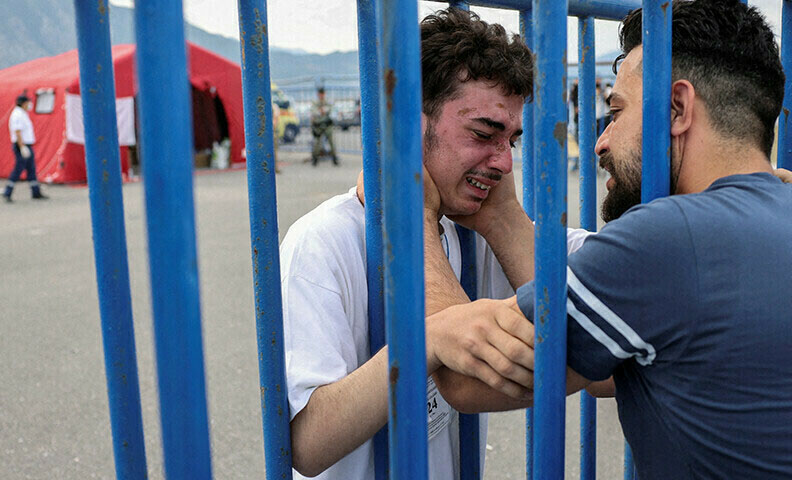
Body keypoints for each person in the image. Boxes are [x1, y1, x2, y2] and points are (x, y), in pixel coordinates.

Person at [429, 1, 792, 478]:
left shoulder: (670, 238)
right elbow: (604, 367)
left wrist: (411, 212)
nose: (601, 141)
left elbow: (462, 374)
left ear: (677, 109)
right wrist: (503, 219)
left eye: (617, 113)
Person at [279, 8, 592, 479]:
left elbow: (601, 320)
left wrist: (506, 220)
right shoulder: (324, 239)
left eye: (512, 140)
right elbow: (306, 444)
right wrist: (423, 344)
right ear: (409, 123)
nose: (504, 163)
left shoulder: (476, 231)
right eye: (484, 134)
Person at [3, 94, 48, 202]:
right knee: (18, 169)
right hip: (21, 146)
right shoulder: (17, 114)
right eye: (28, 103)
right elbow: (17, 132)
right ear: (23, 103)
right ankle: (7, 192)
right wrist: (22, 147)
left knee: (31, 169)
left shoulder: (23, 113)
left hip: (27, 145)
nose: (30, 105)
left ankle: (35, 192)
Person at [311, 87, 339, 166]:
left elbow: (332, 109)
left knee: (331, 142)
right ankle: (315, 158)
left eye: (322, 94)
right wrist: (320, 112)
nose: (321, 96)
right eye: (320, 94)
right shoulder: (315, 102)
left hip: (327, 125)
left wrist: (324, 110)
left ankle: (334, 158)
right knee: (317, 143)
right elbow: (313, 111)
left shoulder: (327, 101)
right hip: (318, 125)